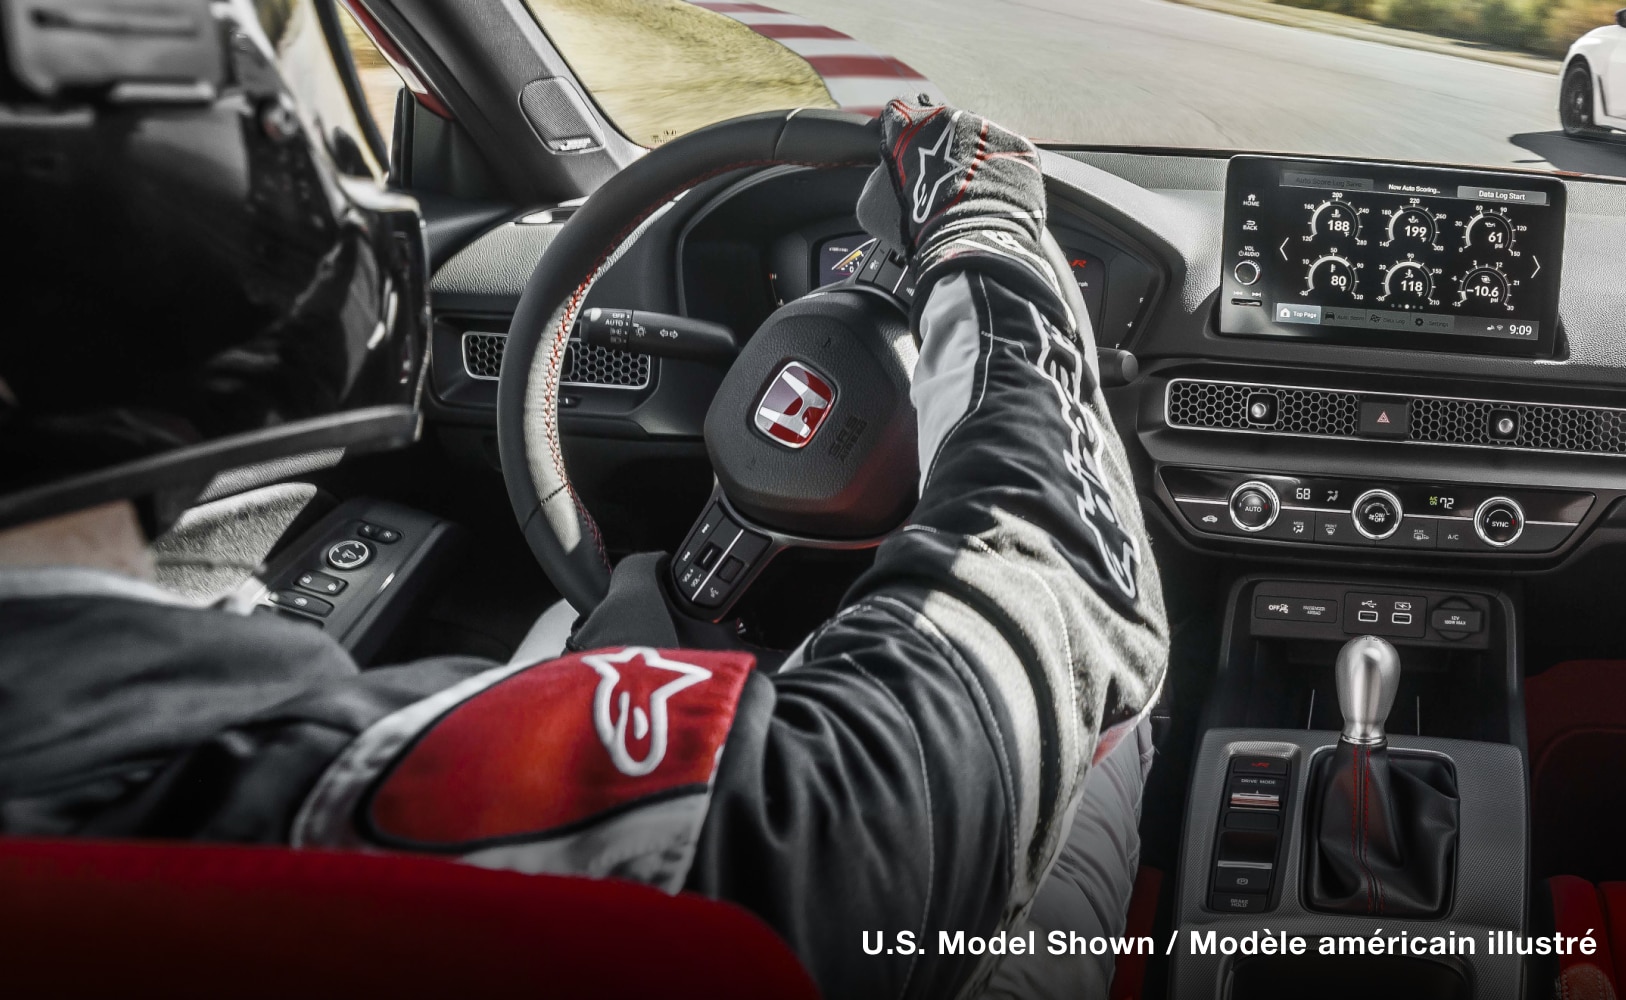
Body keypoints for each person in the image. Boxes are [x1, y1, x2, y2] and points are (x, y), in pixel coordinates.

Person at [0, 4, 1166, 998]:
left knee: (578, 621)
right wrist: (995, 236)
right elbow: (1065, 589)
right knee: (1109, 737)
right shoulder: (398, 830)